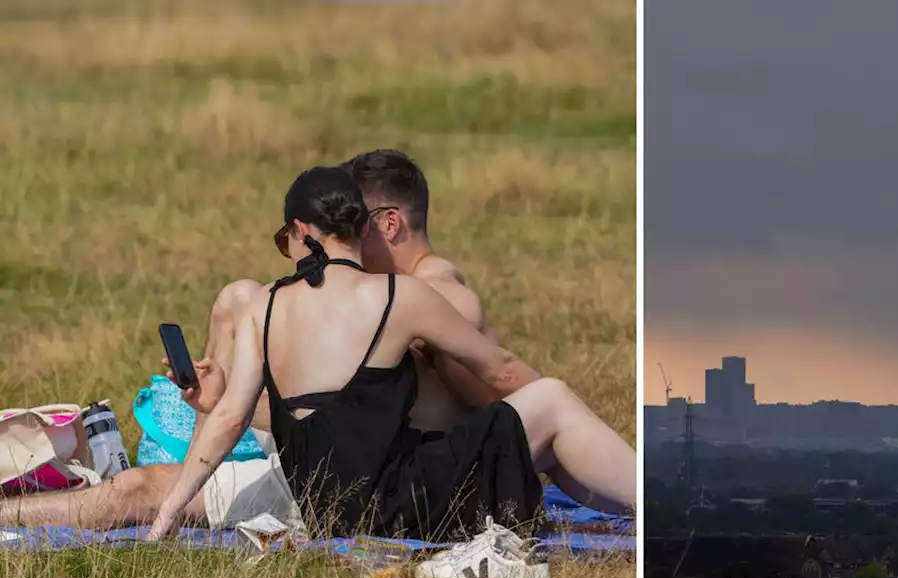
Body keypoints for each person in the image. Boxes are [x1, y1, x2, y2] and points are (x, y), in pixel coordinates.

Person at [0, 150, 630, 532]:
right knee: (138, 487)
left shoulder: (435, 296)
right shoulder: (380, 298)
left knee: (141, 493)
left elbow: (496, 388)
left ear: (384, 224)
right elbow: (342, 417)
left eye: (355, 224)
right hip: (342, 483)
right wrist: (221, 401)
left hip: (368, 491)